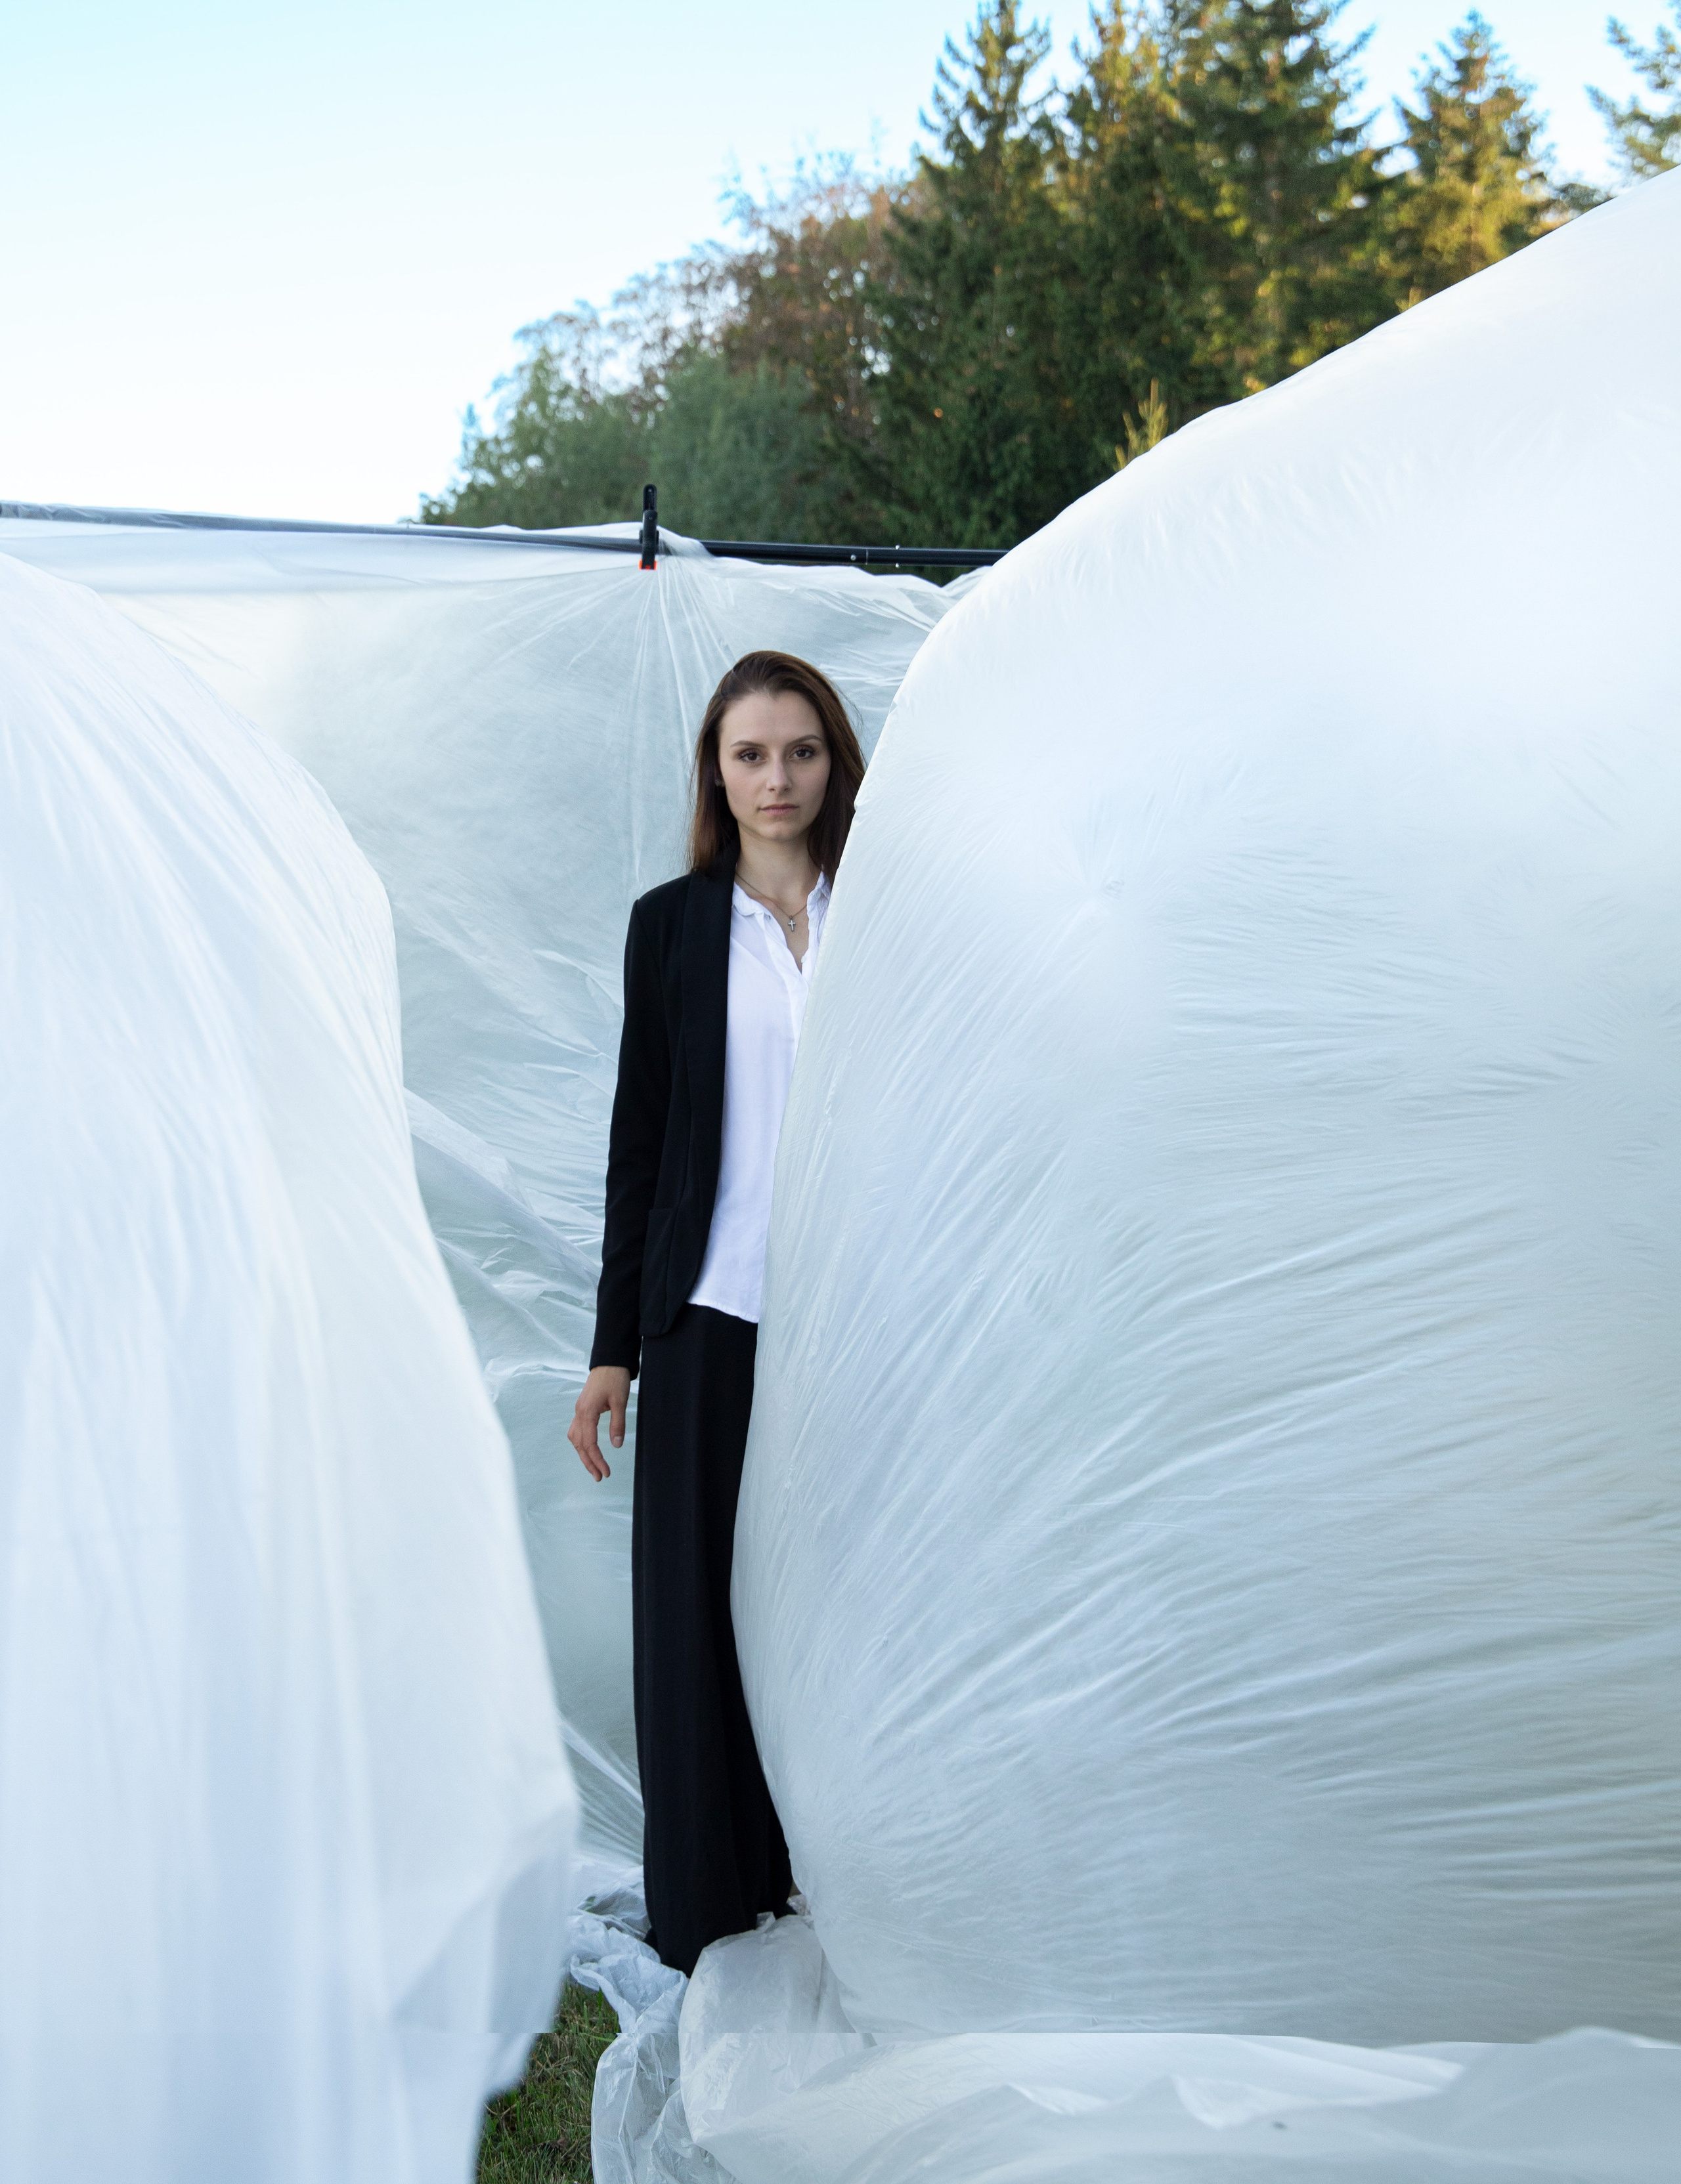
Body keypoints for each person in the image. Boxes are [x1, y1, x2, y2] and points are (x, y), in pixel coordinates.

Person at [567, 649, 865, 1975]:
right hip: (712, 1309)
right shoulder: (673, 927)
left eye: (800, 750)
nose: (776, 778)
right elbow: (639, 1142)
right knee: (697, 1617)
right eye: (750, 755)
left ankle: (848, 1878)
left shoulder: (887, 914)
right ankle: (709, 1903)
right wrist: (613, 1351)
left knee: (844, 1598)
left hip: (862, 1315)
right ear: (716, 772)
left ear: (834, 761)